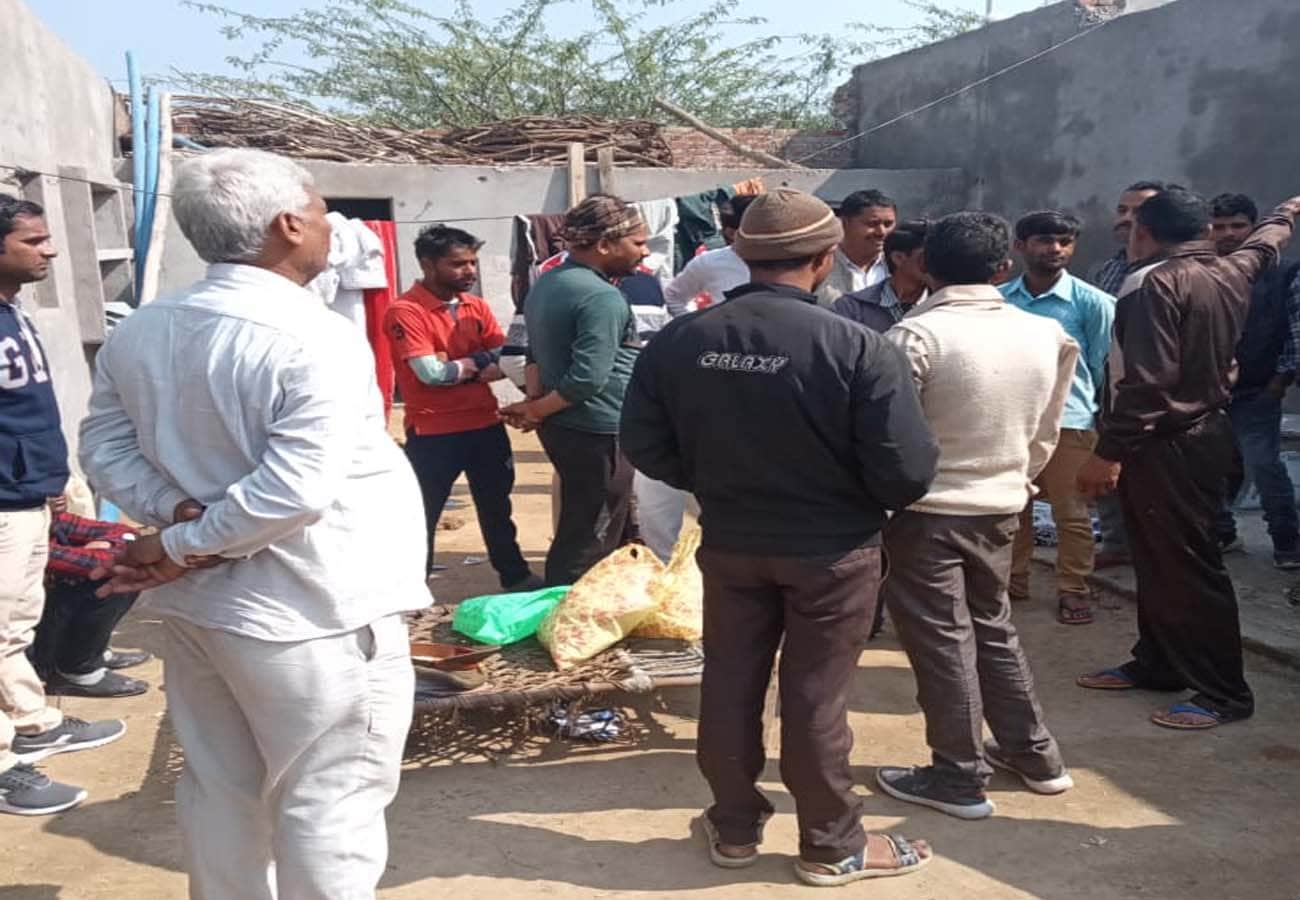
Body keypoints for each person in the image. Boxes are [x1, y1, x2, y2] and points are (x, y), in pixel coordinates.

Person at [79, 149, 429, 897]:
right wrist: (181, 541)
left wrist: (177, 521)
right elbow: (295, 492)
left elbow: (103, 446)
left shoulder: (146, 327)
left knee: (220, 788)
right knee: (330, 799)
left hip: (211, 612)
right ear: (288, 223)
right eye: (322, 205)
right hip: (312, 612)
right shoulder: (313, 335)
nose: (333, 222)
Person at [622, 189, 938, 885]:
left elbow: (644, 442)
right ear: (826, 258)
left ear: (742, 253)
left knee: (730, 685)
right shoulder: (859, 346)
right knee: (816, 696)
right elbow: (907, 471)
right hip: (832, 550)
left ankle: (733, 826)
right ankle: (831, 844)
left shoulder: (682, 340)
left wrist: (714, 481)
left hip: (732, 542)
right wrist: (851, 501)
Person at [876, 212, 1079, 820]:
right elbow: (1047, 431)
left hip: (926, 511)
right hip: (1001, 503)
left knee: (942, 639)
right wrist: (1015, 479)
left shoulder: (914, 337)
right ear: (1004, 267)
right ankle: (1034, 755)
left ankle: (958, 776)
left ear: (927, 267)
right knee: (991, 626)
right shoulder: (1046, 334)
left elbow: (891, 441)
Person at [1076, 189, 1300, 730]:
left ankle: (1224, 692)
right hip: (1199, 435)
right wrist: (1286, 214)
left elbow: (1148, 384)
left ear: (1144, 234)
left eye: (1130, 222)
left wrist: (1108, 454)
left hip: (1166, 441)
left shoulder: (1150, 282)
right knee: (1159, 558)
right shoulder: (1232, 268)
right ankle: (1157, 662)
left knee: (1190, 566)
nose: (1125, 230)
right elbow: (1267, 244)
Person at [0, 194, 125, 817]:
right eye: (33, 239)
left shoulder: (10, 312)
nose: (49, 249)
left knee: (14, 623)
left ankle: (32, 721)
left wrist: (48, 476)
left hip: (25, 495)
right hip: (2, 501)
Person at [385, 224, 541, 590]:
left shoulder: (476, 307)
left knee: (497, 509)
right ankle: (410, 589)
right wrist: (475, 365)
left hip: (484, 424)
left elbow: (504, 358)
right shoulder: (405, 311)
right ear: (427, 264)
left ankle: (514, 576)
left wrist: (461, 367)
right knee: (422, 515)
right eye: (458, 264)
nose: (470, 271)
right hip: (433, 432)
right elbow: (431, 374)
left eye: (472, 262)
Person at [503, 195, 647, 586]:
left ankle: (593, 607)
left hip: (566, 426)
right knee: (590, 533)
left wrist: (536, 403)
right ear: (604, 245)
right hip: (597, 428)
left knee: (589, 520)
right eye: (637, 242)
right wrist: (536, 411)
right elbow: (587, 378)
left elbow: (533, 351)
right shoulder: (601, 296)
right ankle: (567, 613)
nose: (644, 251)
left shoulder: (549, 282)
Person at [1001, 211, 1116, 624]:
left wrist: (1104, 426)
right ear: (1020, 246)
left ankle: (1073, 588)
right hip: (1015, 421)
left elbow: (1105, 368)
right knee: (1014, 510)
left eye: (1064, 241)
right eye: (1044, 240)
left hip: (1072, 419)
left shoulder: (1094, 303)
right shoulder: (1001, 300)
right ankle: (1012, 582)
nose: (1055, 249)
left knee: (1072, 512)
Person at [1087, 180, 1184, 568]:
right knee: (1109, 478)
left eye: (1138, 211)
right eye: (1122, 210)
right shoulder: (1110, 269)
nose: (1127, 219)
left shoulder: (1171, 275)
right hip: (1111, 385)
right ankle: (1117, 544)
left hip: (1157, 398)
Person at [1208, 193, 1300, 567]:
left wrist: (1279, 382)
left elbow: (1297, 332)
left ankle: (1287, 544)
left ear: (1254, 228)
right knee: (1207, 467)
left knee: (1264, 466)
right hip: (1206, 393)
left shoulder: (1283, 273)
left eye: (1238, 226)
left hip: (1257, 390)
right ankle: (1222, 533)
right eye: (1220, 226)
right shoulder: (1203, 273)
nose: (1228, 234)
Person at [31, 497, 149, 698]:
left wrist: (109, 543)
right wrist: (107, 550)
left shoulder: (44, 517)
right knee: (115, 574)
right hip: (22, 636)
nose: (57, 493)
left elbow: (127, 532)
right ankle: (77, 671)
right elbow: (58, 558)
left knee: (121, 565)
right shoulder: (11, 526)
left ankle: (91, 652)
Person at [662, 195, 758, 316]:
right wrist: (694, 327)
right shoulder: (711, 262)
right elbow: (673, 297)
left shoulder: (787, 260)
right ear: (733, 234)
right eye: (764, 229)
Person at [831, 220, 929, 330]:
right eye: (927, 257)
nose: (936, 263)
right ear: (898, 258)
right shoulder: (853, 309)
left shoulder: (945, 306)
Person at [816, 189, 898, 306]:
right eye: (872, 224)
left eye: (888, 224)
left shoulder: (900, 265)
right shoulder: (819, 265)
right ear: (845, 223)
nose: (882, 232)